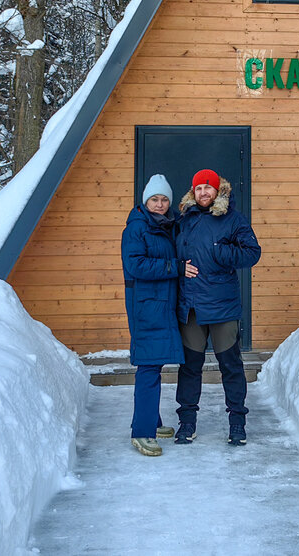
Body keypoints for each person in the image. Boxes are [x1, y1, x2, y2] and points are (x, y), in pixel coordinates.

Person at [173, 168, 262, 446]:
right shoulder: (183, 220)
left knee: (231, 366)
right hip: (192, 308)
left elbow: (252, 253)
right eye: (198, 189)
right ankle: (187, 422)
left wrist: (220, 252)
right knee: (189, 368)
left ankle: (237, 423)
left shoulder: (233, 219)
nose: (203, 193)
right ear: (193, 191)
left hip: (223, 307)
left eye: (208, 188)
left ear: (217, 190)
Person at [121, 174, 196, 457]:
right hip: (147, 306)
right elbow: (137, 266)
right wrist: (174, 267)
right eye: (155, 199)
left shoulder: (167, 226)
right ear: (145, 201)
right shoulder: (136, 229)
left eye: (164, 199)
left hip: (163, 303)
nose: (160, 204)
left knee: (156, 363)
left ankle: (151, 420)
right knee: (149, 367)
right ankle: (142, 432)